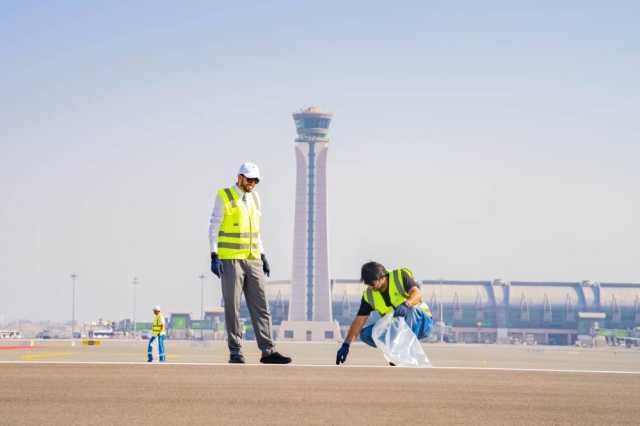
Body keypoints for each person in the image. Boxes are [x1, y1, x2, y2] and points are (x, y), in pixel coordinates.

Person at [208, 162, 291, 364]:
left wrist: (262, 255)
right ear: (240, 177)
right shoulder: (224, 196)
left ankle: (268, 351)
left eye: (255, 180)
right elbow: (214, 226)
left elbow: (256, 231)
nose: (252, 183)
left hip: (253, 258)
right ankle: (236, 352)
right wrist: (214, 255)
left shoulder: (255, 198)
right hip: (231, 260)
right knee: (232, 307)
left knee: (261, 306)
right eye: (249, 179)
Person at [336, 261, 433, 365]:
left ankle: (401, 352)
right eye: (368, 284)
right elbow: (359, 320)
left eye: (372, 284)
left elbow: (417, 293)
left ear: (382, 277)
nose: (370, 287)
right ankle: (394, 354)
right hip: (397, 329)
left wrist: (406, 304)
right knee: (366, 334)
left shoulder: (399, 276)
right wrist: (346, 344)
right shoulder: (369, 296)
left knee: (411, 310)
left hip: (422, 323)